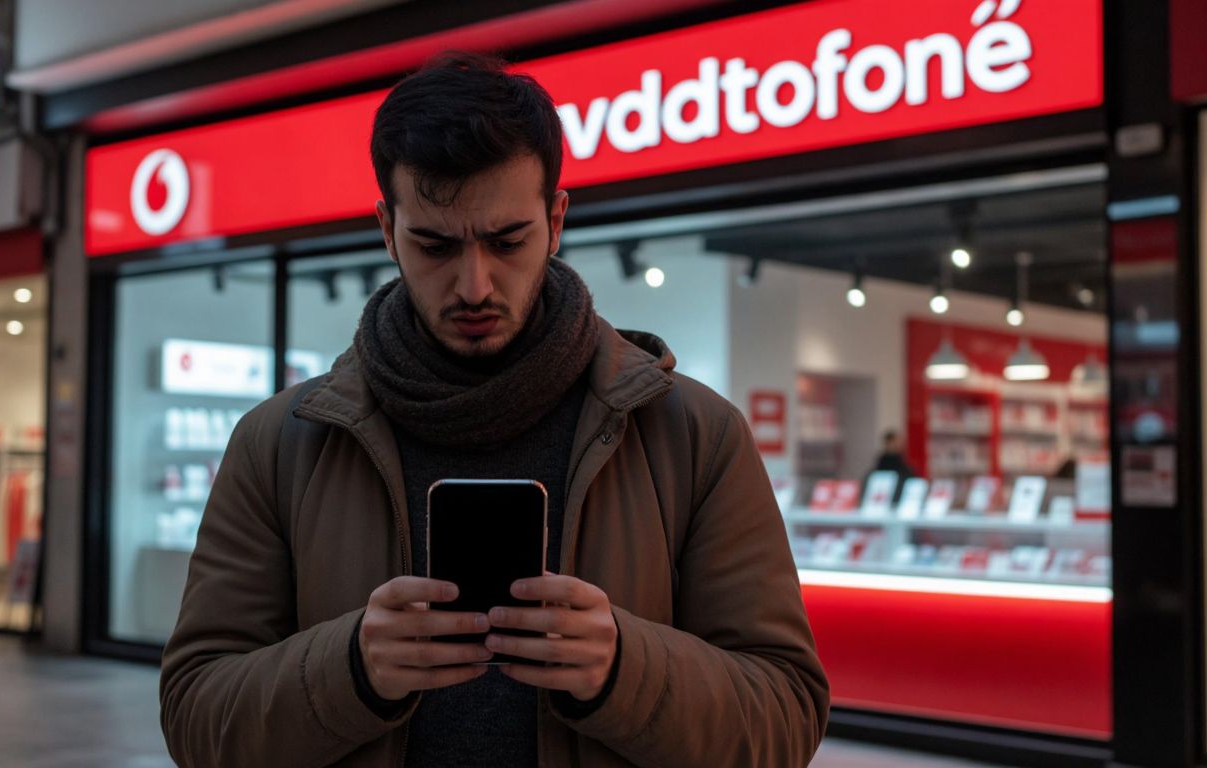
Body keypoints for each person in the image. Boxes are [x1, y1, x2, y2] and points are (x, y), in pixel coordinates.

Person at [161, 53, 828, 768]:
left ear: (556, 220)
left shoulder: (692, 436)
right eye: (434, 245)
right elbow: (197, 719)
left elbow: (786, 717)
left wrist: (622, 670)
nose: (474, 285)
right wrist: (350, 668)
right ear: (387, 230)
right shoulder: (280, 445)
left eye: (508, 242)